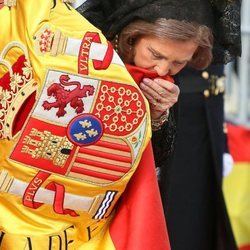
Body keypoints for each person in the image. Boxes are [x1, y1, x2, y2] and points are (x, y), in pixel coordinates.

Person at [77, 0, 242, 249]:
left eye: (179, 63)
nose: (163, 69)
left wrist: (157, 115)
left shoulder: (166, 83)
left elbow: (158, 158)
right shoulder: (89, 54)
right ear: (131, 37)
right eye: (155, 55)